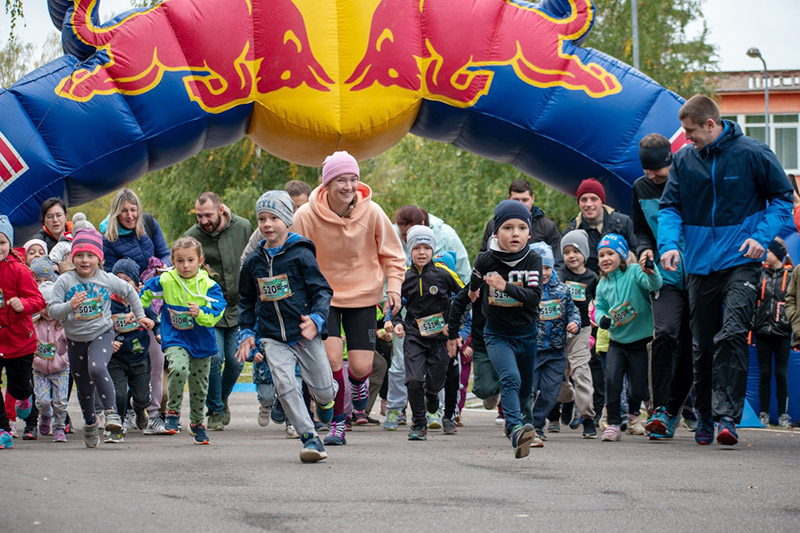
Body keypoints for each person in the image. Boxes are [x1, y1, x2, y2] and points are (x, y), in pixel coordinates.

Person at [659, 94, 792, 446]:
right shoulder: (685, 160)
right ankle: (703, 413)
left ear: (711, 124)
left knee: (732, 335)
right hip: (701, 265)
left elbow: (783, 198)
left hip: (741, 261)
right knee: (702, 345)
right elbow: (670, 207)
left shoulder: (753, 153)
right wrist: (669, 244)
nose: (687, 138)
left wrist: (761, 238)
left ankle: (727, 417)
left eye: (690, 131)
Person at [291, 151, 405, 446]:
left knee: (360, 367)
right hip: (323, 296)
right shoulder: (305, 216)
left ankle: (358, 385)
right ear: (327, 183)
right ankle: (338, 424)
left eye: (353, 179)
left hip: (364, 294)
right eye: (341, 179)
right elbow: (293, 256)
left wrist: (394, 288)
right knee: (331, 361)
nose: (348, 186)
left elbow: (393, 255)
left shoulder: (373, 212)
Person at [237, 190, 337, 462]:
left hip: (304, 331)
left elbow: (322, 291)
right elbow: (246, 299)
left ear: (288, 220)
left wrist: (317, 319)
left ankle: (326, 402)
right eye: (261, 218)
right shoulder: (253, 262)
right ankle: (310, 438)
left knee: (324, 390)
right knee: (284, 383)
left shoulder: (301, 254)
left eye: (274, 218)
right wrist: (246, 330)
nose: (267, 224)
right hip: (272, 336)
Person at [48, 228, 153, 448]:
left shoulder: (107, 279)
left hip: (101, 334)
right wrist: (70, 305)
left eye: (90, 255)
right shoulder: (65, 282)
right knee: (84, 387)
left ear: (99, 258)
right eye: (79, 255)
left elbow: (131, 292)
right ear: (72, 257)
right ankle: (89, 423)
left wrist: (140, 315)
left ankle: (112, 414)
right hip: (76, 340)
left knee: (97, 368)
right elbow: (52, 311)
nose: (85, 260)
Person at [464, 200, 542, 458]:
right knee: (510, 378)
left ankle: (529, 429)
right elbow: (476, 275)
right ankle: (516, 429)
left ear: (529, 233)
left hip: (527, 333)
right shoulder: (487, 258)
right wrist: (474, 290)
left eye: (522, 228)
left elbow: (533, 298)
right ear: (496, 232)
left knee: (525, 389)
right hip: (497, 334)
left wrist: (504, 286)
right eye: (508, 227)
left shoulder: (533, 259)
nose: (515, 233)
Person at [632, 133, 695, 439]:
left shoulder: (686, 181)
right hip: (665, 276)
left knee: (690, 345)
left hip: (696, 272)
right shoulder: (640, 187)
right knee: (666, 333)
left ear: (670, 161)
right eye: (647, 170)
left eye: (657, 169)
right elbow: (641, 229)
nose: (652, 176)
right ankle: (658, 409)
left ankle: (675, 410)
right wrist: (645, 248)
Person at [385, 205, 470, 430]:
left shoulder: (444, 274)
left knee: (435, 381)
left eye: (426, 248)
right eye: (416, 248)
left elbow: (464, 298)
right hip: (413, 334)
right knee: (412, 379)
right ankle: (418, 425)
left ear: (433, 250)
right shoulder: (404, 277)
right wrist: (396, 323)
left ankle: (433, 398)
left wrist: (455, 326)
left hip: (440, 337)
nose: (421, 252)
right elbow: (394, 304)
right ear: (409, 250)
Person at [140, 237, 226, 445]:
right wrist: (140, 314)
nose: (185, 266)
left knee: (199, 386)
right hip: (175, 337)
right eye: (179, 261)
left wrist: (201, 313)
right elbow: (144, 293)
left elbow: (218, 311)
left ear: (200, 260)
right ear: (172, 261)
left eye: (190, 260)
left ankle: (197, 423)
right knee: (178, 368)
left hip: (201, 341)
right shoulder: (167, 280)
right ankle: (172, 414)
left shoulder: (209, 286)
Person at [102, 188, 171, 435]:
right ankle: (125, 410)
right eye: (125, 211)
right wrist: (128, 285)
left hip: (151, 298)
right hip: (122, 302)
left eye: (134, 210)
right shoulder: (109, 239)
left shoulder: (148, 225)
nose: (130, 215)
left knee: (155, 357)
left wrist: (161, 270)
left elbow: (163, 253)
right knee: (126, 357)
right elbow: (107, 271)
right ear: (116, 212)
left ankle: (153, 413)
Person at [184, 191, 253, 430]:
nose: (203, 220)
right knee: (213, 358)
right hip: (209, 309)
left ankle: (221, 398)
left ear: (221, 209)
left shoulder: (243, 227)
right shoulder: (192, 237)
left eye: (208, 215)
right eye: (199, 215)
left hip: (239, 307)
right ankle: (214, 409)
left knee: (236, 361)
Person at [594, 234, 662, 442]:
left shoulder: (633, 273)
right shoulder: (602, 284)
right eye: (601, 255)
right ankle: (614, 424)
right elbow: (599, 307)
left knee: (639, 388)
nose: (605, 259)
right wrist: (602, 318)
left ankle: (651, 408)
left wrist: (651, 271)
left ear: (622, 255)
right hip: (617, 341)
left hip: (641, 340)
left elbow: (654, 284)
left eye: (610, 254)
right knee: (612, 380)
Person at [0, 217, 47, 449]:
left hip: (19, 341)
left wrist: (23, 304)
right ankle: (2, 429)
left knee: (19, 386)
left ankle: (26, 396)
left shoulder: (19, 270)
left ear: (9, 244)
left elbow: (38, 300)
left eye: (1, 242)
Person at [528, 242, 579, 445]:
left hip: (556, 351)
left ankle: (537, 426)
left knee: (550, 393)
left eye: (547, 268)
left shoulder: (562, 290)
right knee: (529, 391)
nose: (543, 273)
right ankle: (522, 424)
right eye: (538, 268)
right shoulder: (526, 290)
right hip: (532, 350)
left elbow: (573, 310)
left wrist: (575, 321)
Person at [107, 258, 159, 442]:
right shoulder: (108, 304)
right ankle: (117, 427)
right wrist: (108, 344)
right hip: (117, 359)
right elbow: (99, 327)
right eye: (118, 279)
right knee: (118, 394)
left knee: (143, 398)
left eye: (126, 280)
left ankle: (138, 409)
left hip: (140, 358)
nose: (122, 284)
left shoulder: (141, 302)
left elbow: (155, 321)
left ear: (136, 284)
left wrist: (156, 330)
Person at [558, 230, 598, 438]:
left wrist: (597, 314)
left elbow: (598, 301)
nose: (571, 256)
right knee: (559, 376)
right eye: (566, 252)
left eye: (576, 251)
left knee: (582, 372)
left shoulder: (592, 277)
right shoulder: (560, 275)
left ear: (585, 253)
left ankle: (588, 419)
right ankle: (567, 400)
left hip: (582, 330)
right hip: (559, 331)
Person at [753, 238, 792, 427]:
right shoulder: (760, 274)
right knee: (765, 372)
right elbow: (753, 302)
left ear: (776, 254)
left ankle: (783, 414)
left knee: (781, 373)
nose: (764, 254)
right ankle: (764, 412)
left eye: (767, 251)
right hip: (762, 331)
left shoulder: (791, 276)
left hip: (783, 332)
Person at [479, 178, 562, 267]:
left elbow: (557, 260)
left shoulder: (547, 226)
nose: (521, 204)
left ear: (532, 198)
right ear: (508, 198)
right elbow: (484, 256)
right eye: (516, 200)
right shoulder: (494, 225)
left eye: (525, 200)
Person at [563, 178, 636, 275]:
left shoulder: (623, 223)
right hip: (588, 285)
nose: (589, 204)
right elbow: (560, 264)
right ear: (579, 203)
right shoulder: (572, 231)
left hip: (621, 281)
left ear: (602, 201)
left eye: (594, 199)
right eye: (584, 200)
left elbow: (637, 252)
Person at [30, 264, 69, 443]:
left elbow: (71, 347)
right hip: (39, 370)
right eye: (44, 306)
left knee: (61, 401)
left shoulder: (64, 325)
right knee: (42, 401)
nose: (48, 311)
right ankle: (45, 416)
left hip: (60, 369)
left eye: (51, 306)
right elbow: (30, 345)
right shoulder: (34, 325)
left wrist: (62, 360)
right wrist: (35, 359)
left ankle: (59, 427)